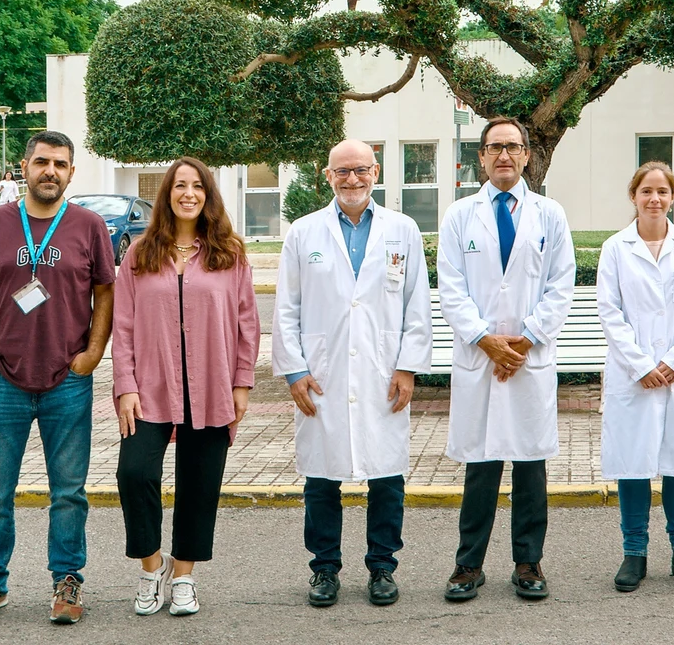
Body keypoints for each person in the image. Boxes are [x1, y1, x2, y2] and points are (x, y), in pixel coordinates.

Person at [0, 131, 117, 626]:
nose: (50, 171)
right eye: (42, 162)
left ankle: (67, 581)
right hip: (1, 379)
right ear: (25, 167)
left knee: (69, 492)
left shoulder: (87, 226)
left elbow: (105, 292)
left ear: (70, 173)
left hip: (67, 379)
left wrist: (92, 353)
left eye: (60, 164)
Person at [273, 139, 432, 609]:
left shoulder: (402, 230)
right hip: (322, 374)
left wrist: (407, 366)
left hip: (384, 372)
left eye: (360, 170)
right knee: (321, 478)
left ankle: (382, 566)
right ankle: (324, 569)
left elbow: (416, 307)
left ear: (376, 171)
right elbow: (286, 308)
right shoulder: (303, 233)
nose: (352, 179)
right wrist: (294, 371)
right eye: (342, 172)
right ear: (328, 176)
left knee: (387, 475)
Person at [437, 117, 576, 603]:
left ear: (526, 155)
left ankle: (528, 561)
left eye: (513, 147)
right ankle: (467, 564)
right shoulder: (458, 216)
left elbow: (562, 285)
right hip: (480, 359)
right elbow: (450, 289)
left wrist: (525, 341)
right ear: (481, 156)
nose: (504, 155)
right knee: (480, 464)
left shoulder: (550, 214)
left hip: (528, 358)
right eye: (495, 147)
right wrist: (485, 340)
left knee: (530, 465)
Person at [113, 156, 259, 618]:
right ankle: (151, 566)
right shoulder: (139, 254)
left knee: (200, 484)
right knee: (134, 473)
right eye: (179, 186)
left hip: (212, 385)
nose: (188, 193)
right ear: (167, 194)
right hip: (150, 387)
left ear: (208, 195)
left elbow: (247, 324)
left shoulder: (229, 253)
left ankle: (184, 577)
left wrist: (242, 383)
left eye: (197, 186)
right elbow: (123, 326)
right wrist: (125, 385)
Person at [597, 162, 674, 593]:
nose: (654, 199)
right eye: (646, 191)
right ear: (633, 196)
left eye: (662, 192)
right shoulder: (615, 248)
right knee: (634, 464)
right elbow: (610, 311)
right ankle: (635, 553)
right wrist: (642, 364)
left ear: (672, 197)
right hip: (635, 376)